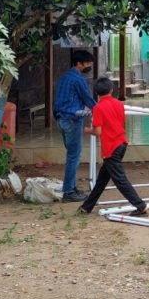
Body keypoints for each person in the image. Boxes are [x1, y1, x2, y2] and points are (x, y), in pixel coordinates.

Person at [77, 78, 148, 216]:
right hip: (121, 143)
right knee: (102, 180)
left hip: (111, 147)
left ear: (96, 92)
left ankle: (141, 206)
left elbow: (98, 132)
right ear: (111, 90)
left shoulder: (98, 108)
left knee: (120, 180)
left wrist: (87, 131)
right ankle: (86, 207)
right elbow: (121, 122)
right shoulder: (119, 104)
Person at [53, 49, 97, 202]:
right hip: (72, 120)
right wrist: (103, 109)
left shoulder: (63, 77)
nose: (90, 65)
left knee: (71, 155)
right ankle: (69, 191)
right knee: (73, 156)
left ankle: (71, 187)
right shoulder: (79, 80)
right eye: (88, 63)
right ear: (79, 63)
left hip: (61, 119)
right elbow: (88, 100)